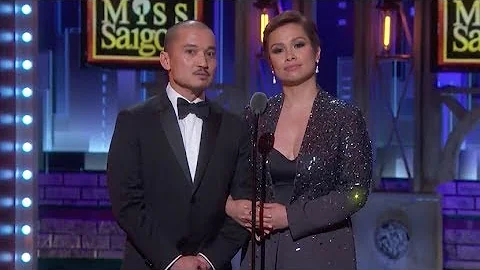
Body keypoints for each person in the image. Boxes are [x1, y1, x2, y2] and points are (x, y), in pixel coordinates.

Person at [225, 10, 372, 270]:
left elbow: (356, 193)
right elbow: (229, 180)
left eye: (298, 45)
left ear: (317, 53)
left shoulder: (345, 117)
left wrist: (290, 217)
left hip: (323, 253)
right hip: (262, 254)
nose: (289, 56)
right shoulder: (256, 114)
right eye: (278, 50)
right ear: (270, 62)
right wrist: (233, 207)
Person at [107, 20, 250, 270]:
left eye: (210, 54)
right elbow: (126, 203)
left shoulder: (234, 127)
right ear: (166, 60)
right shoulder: (134, 121)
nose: (203, 62)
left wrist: (208, 260)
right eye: (191, 52)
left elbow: (244, 205)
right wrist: (172, 261)